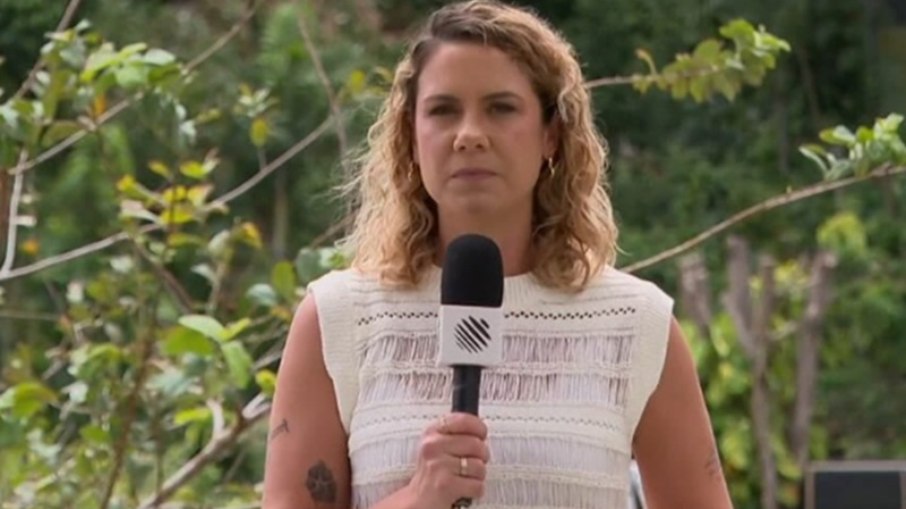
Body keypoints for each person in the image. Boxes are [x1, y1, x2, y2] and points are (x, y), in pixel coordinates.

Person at [262, 1, 734, 508]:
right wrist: (418, 498)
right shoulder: (338, 320)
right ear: (410, 137)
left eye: (501, 108)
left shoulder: (635, 324)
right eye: (443, 110)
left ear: (551, 134)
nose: (469, 135)